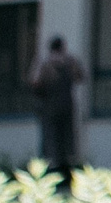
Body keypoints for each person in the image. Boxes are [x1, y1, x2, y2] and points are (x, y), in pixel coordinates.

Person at [31, 35, 83, 187]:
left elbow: (35, 83)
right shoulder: (71, 61)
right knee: (67, 141)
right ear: (63, 47)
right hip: (67, 107)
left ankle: (53, 175)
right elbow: (80, 77)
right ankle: (68, 175)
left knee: (51, 141)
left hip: (49, 107)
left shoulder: (44, 63)